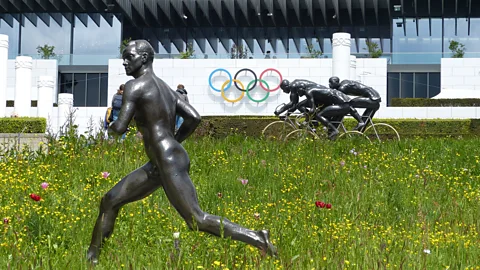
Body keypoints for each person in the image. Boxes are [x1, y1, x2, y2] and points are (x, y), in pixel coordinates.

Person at [86, 39, 276, 264]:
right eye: (124, 58)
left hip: (166, 161)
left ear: (145, 58)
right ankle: (91, 259)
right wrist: (174, 141)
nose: (124, 62)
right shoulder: (165, 87)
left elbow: (119, 127)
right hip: (164, 160)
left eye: (130, 57)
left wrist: (111, 127)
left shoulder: (134, 86)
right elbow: (194, 117)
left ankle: (258, 238)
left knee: (197, 220)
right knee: (109, 201)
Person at [297, 85, 365, 140]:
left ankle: (334, 130)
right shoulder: (312, 88)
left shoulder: (308, 92)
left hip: (343, 105)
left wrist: (306, 120)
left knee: (319, 115)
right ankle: (332, 135)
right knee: (324, 116)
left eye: (297, 91)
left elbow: (312, 109)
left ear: (301, 89)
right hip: (345, 104)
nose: (297, 94)